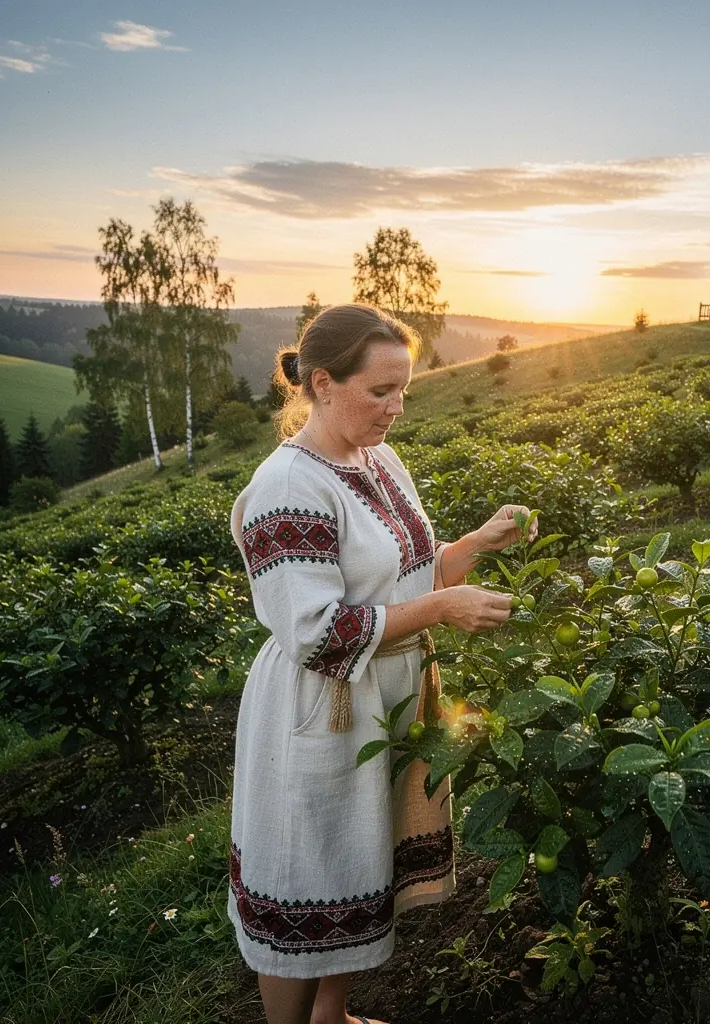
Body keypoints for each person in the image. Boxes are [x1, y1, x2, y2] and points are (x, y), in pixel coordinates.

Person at [227, 303, 536, 1024]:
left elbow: (406, 576)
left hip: (384, 697)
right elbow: (319, 633)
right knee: (308, 874)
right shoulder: (285, 490)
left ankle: (330, 1016)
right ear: (324, 382)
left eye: (403, 390)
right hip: (321, 707)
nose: (396, 408)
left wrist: (474, 545)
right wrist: (441, 611)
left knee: (359, 866)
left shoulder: (378, 458)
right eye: (380, 392)